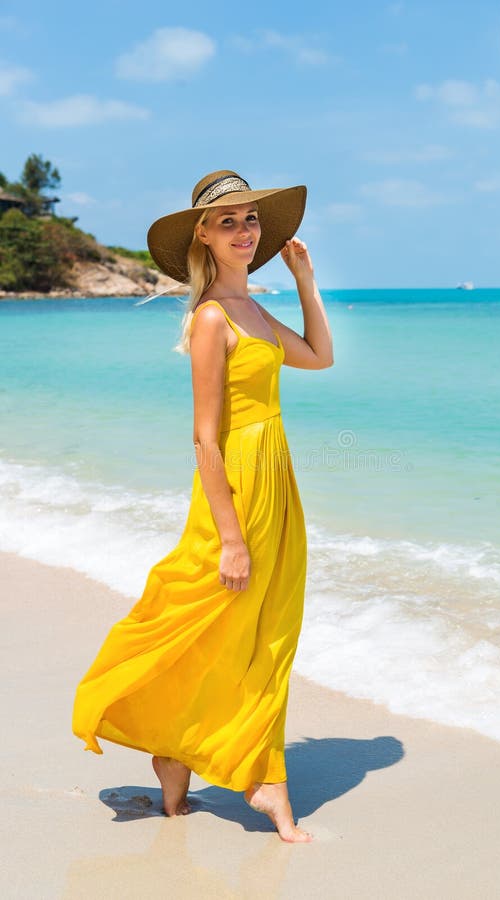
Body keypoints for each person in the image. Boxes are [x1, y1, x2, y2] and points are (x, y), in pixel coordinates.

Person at [72, 169, 334, 843]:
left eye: (251, 221)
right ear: (203, 236)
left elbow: (319, 356)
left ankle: (179, 755)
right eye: (228, 222)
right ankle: (260, 780)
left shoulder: (253, 309)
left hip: (278, 479)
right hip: (237, 487)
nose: (244, 232)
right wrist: (231, 537)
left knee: (268, 631)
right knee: (205, 614)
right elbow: (205, 437)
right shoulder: (214, 318)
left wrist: (306, 283)